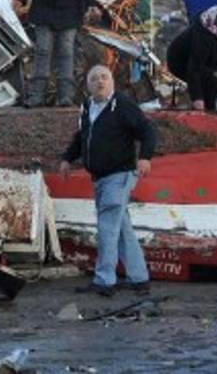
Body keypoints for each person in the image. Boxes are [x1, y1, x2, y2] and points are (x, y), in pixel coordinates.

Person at [60, 64, 157, 297]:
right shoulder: (87, 107)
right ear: (88, 85)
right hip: (99, 177)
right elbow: (82, 136)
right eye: (94, 79)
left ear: (112, 82)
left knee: (107, 228)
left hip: (119, 175)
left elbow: (147, 130)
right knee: (122, 229)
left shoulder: (123, 106)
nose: (100, 82)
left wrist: (145, 158)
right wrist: (67, 158)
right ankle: (139, 278)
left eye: (104, 78)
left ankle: (104, 281)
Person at [165, 5, 217, 111]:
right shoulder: (204, 38)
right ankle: (203, 112)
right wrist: (197, 99)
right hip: (180, 61)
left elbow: (213, 60)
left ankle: (209, 111)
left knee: (213, 83)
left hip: (199, 62)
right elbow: (193, 69)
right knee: (211, 85)